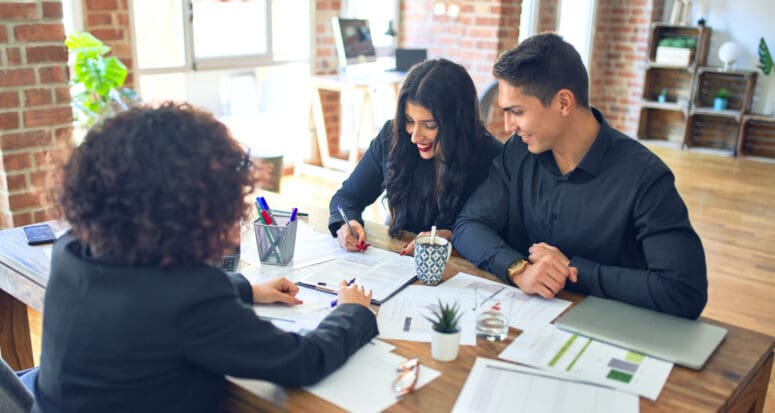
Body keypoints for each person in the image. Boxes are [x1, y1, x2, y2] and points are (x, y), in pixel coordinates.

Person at [33, 103, 378, 412]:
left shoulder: (73, 249)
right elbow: (303, 361)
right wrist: (352, 311)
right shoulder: (191, 295)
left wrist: (245, 289)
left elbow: (147, 300)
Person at [453, 33, 707, 319]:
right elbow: (469, 224)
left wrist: (574, 271)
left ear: (563, 103)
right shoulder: (519, 152)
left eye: (517, 112)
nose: (508, 126)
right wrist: (518, 268)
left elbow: (684, 291)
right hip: (524, 319)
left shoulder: (646, 177)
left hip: (611, 329)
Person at [329, 58, 502, 254]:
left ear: (458, 123)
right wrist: (347, 223)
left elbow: (499, 235)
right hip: (399, 263)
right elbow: (347, 198)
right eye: (410, 120)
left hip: (461, 269)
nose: (415, 136)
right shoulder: (392, 137)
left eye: (430, 125)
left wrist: (453, 237)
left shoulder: (492, 157)